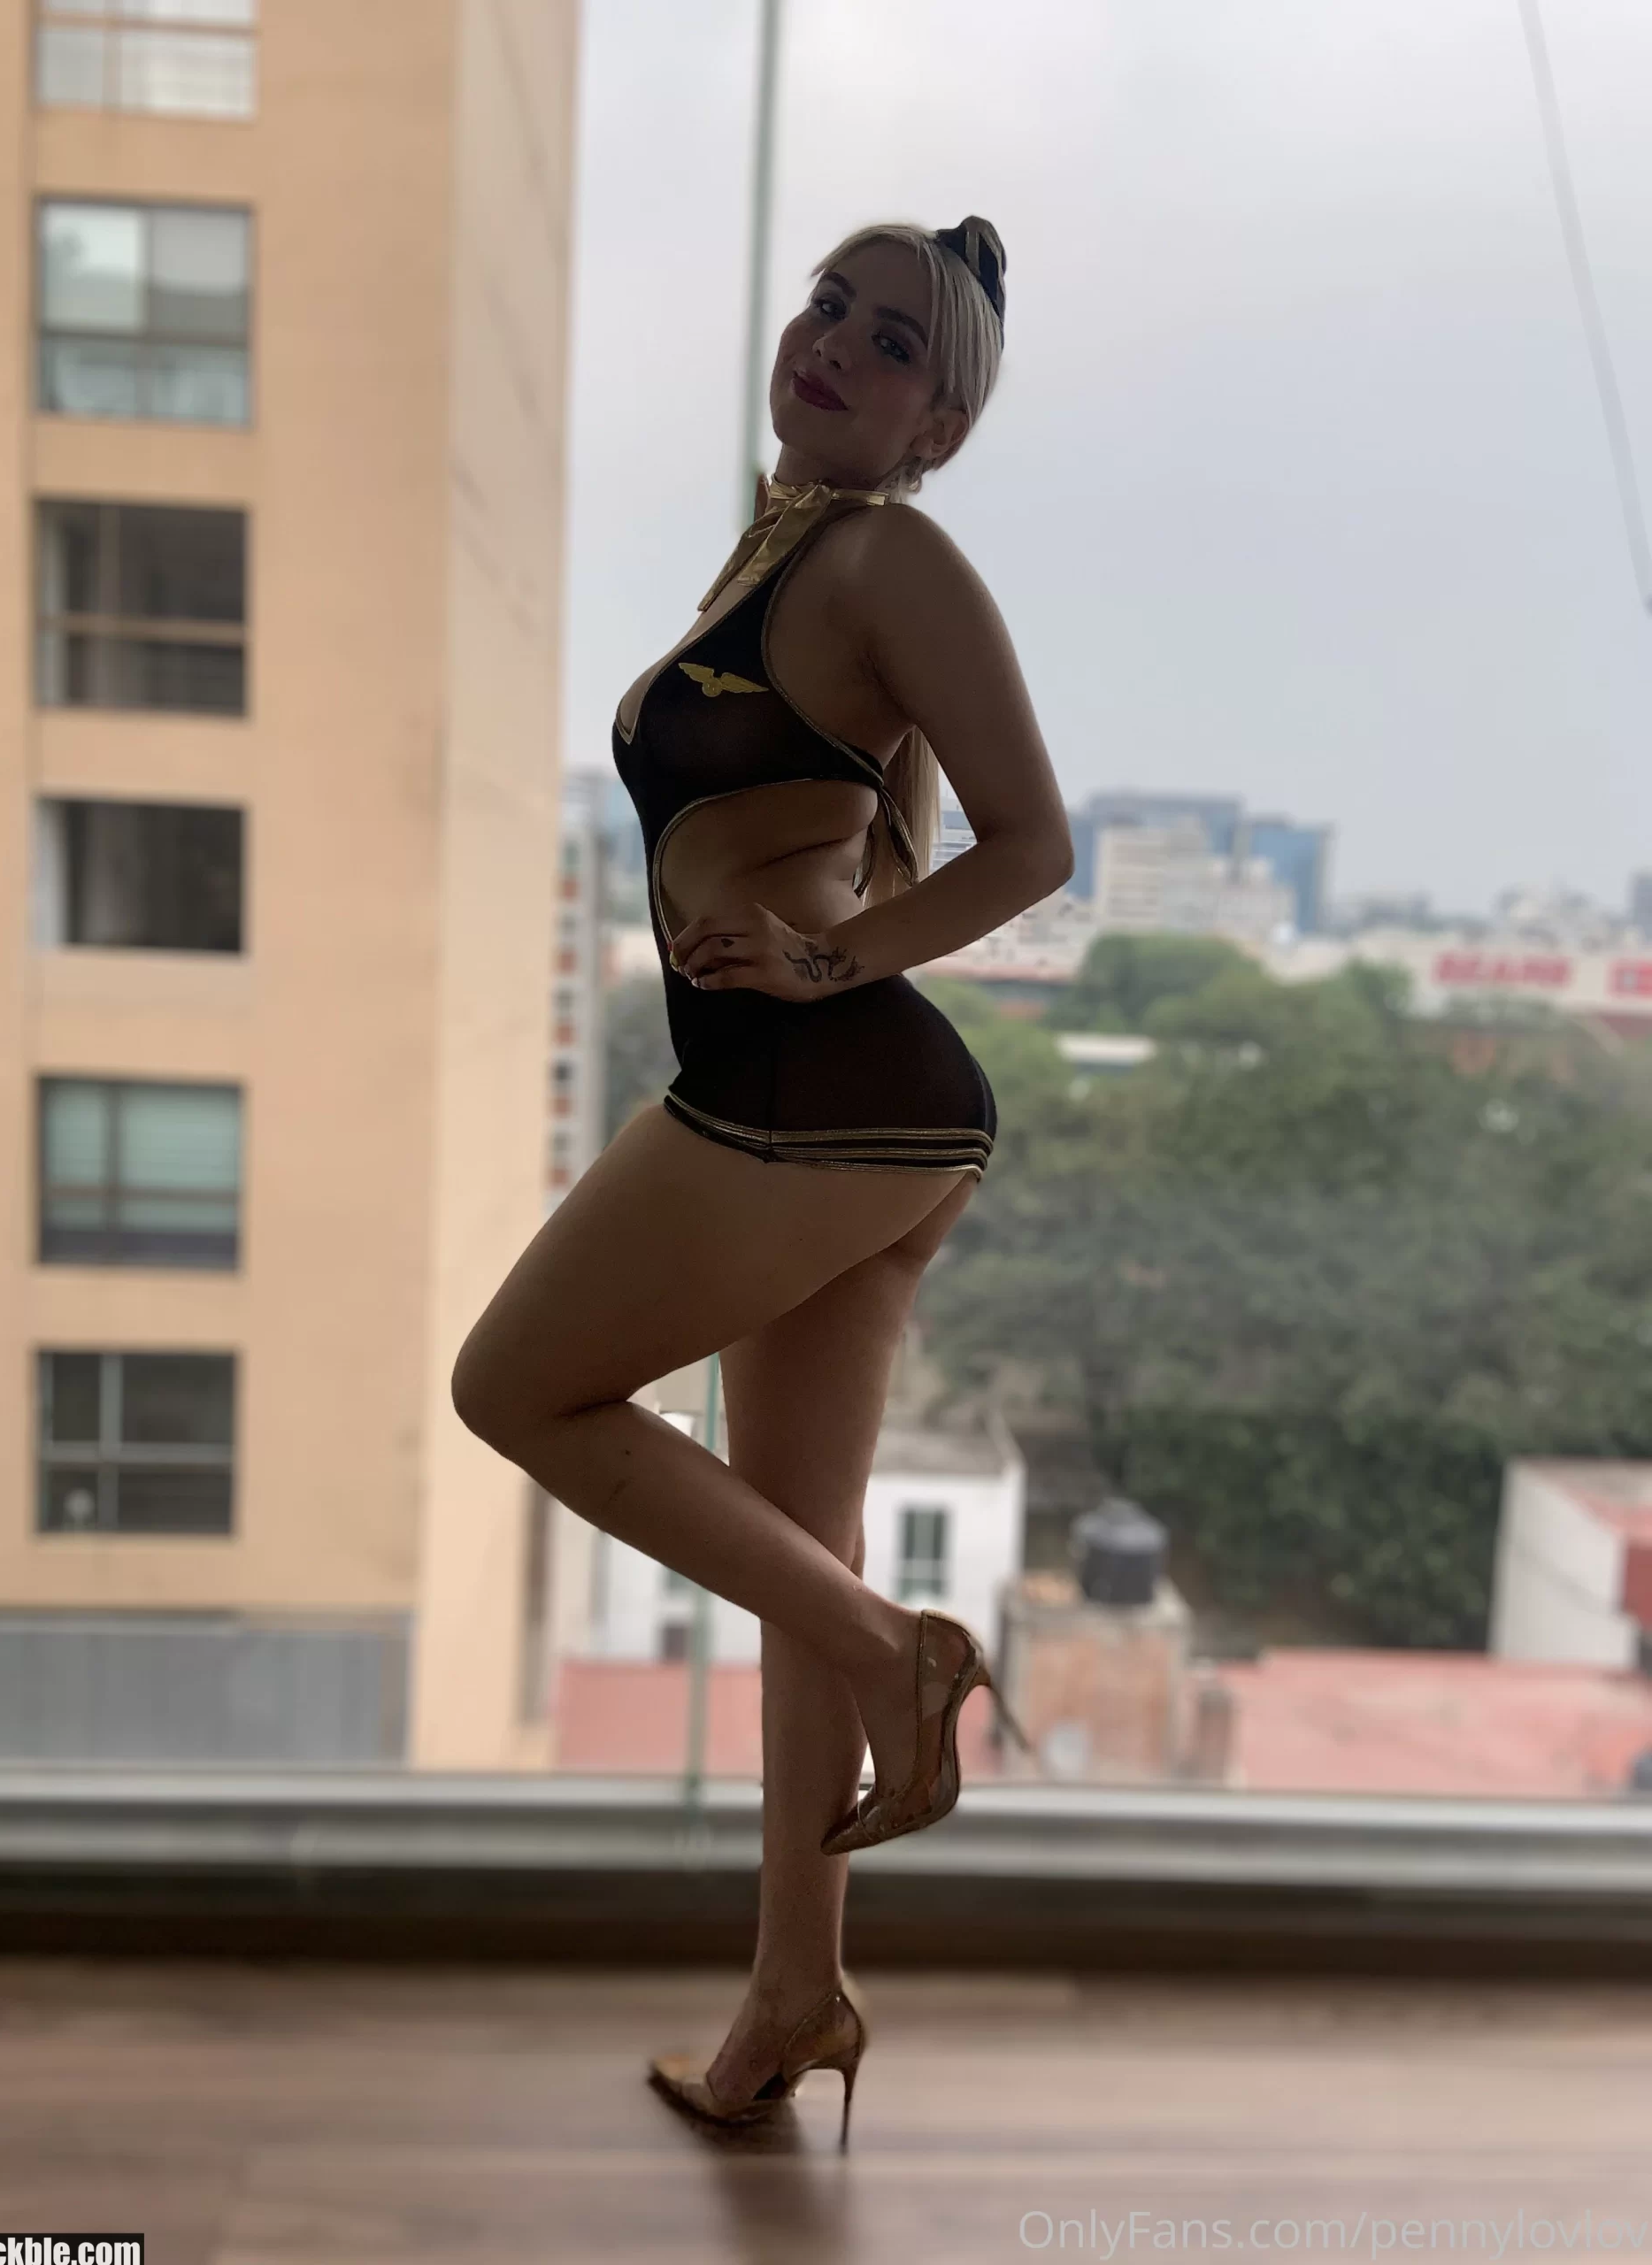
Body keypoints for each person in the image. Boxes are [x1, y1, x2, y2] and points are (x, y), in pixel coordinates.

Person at [450, 216, 1072, 2144]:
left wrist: (826, 962)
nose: (835, 346)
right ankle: (792, 1999)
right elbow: (847, 813)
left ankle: (908, 1659)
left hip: (824, 1099)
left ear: (938, 426)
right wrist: (821, 944)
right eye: (829, 306)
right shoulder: (795, 546)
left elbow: (1033, 842)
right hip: (836, 1106)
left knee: (515, 1385)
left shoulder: (891, 557)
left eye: (892, 347)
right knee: (799, 1546)